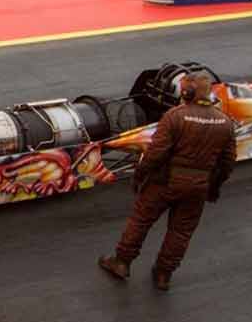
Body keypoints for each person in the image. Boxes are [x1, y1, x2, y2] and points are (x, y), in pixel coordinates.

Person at [98, 73, 236, 292]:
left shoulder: (175, 116)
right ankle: (164, 274)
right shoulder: (225, 122)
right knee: (181, 232)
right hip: (198, 186)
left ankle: (122, 262)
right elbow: (227, 162)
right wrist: (214, 187)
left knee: (141, 221)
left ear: (186, 93)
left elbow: (155, 153)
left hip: (165, 182)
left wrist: (140, 175)